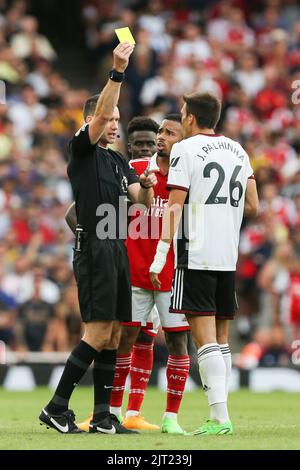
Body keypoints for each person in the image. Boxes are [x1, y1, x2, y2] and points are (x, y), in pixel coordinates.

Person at [39, 42, 157, 435]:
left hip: (118, 245)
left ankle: (104, 416)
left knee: (116, 335)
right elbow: (105, 109)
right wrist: (117, 71)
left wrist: (148, 185)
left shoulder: (116, 158)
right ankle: (56, 407)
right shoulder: (82, 149)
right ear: (93, 119)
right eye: (109, 119)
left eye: (118, 120)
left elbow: (139, 201)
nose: (115, 123)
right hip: (95, 246)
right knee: (97, 333)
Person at [150, 92, 259, 436]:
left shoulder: (185, 149)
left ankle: (220, 418)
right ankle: (222, 415)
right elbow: (253, 206)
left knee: (204, 337)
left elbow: (174, 206)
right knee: (222, 339)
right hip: (227, 252)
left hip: (195, 252)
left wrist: (159, 256)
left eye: (183, 114)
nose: (182, 119)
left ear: (191, 119)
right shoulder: (239, 150)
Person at [112, 114, 190, 435]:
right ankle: (115, 412)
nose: (161, 136)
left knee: (176, 341)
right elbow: (126, 210)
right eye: (160, 130)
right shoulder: (138, 171)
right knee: (125, 339)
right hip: (136, 269)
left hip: (172, 272)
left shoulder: (189, 178)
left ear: (183, 141)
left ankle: (171, 417)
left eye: (170, 132)